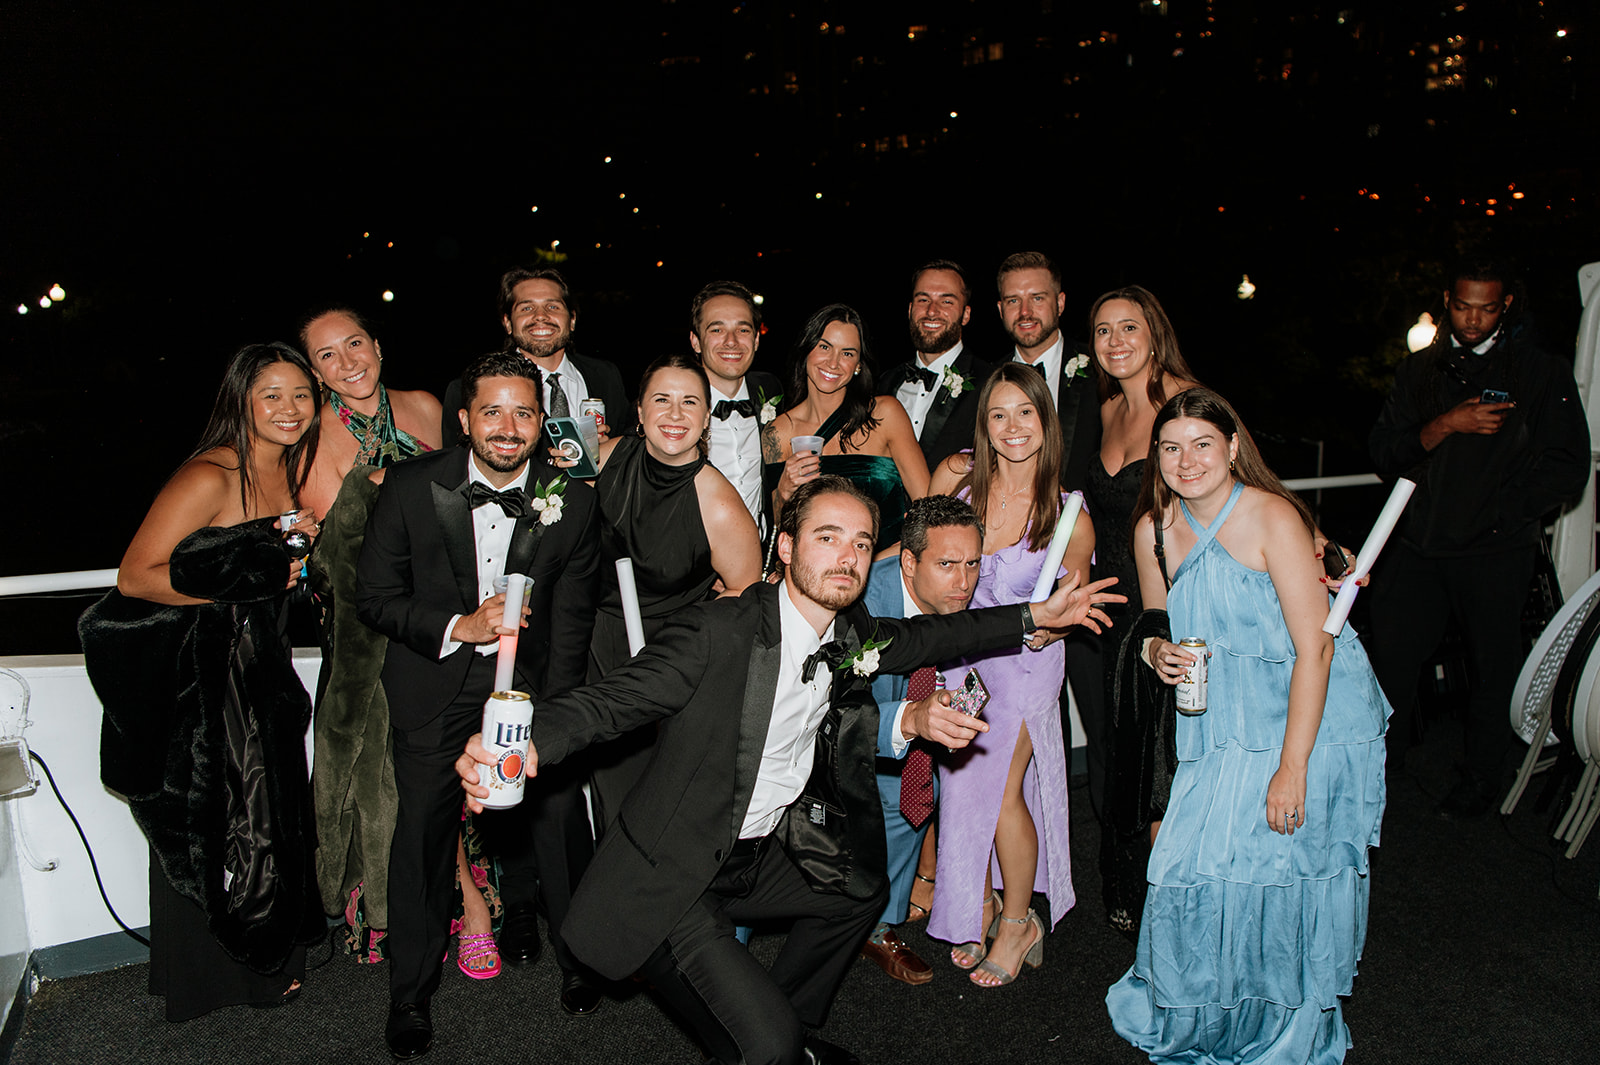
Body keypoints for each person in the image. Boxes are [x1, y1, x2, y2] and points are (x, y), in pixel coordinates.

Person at [457, 475, 1123, 1065]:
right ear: (784, 546)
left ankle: (786, 1023)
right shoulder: (719, 632)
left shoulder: (849, 628)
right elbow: (609, 702)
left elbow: (933, 637)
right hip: (680, 874)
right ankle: (770, 1038)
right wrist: (523, 743)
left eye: (862, 542)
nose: (848, 555)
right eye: (828, 536)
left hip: (759, 851)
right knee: (763, 1045)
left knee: (858, 889)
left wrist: (1035, 615)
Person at [1106, 387, 1389, 1064]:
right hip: (1215, 718)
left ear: (1232, 447)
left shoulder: (1272, 517)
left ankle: (1285, 1029)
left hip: (1304, 710)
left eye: (1203, 444)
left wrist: (1291, 768)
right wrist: (1155, 652)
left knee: (1284, 873)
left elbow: (1315, 645)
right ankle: (1213, 1014)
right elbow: (1156, 625)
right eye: (1171, 448)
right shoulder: (1152, 528)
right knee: (1191, 868)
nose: (1186, 459)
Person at [357, 352, 603, 1059]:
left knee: (558, 826)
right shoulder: (409, 486)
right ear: (464, 419)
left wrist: (554, 714)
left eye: (524, 412)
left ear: (540, 421)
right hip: (434, 686)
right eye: (491, 410)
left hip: (531, 689)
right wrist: (457, 626)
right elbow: (372, 596)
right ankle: (409, 994)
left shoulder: (575, 498)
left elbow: (577, 617)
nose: (508, 426)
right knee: (423, 840)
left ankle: (579, 960)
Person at [80, 342, 325, 1020]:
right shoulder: (211, 474)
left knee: (272, 812)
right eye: (270, 394)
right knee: (215, 817)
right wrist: (252, 579)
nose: (287, 407)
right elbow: (137, 576)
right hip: (210, 679)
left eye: (300, 394)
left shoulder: (288, 470)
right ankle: (206, 978)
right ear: (240, 399)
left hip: (263, 668)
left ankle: (269, 961)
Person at [1368, 257, 1589, 819]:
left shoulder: (1541, 372)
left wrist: (1502, 514)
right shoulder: (1418, 372)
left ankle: (1480, 782)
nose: (1473, 318)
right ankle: (1372, 775)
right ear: (1448, 299)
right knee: (1389, 663)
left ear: (1506, 304)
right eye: (1464, 305)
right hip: (1418, 548)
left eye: (1487, 307)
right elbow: (1383, 455)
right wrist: (1445, 425)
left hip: (1494, 550)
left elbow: (1567, 466)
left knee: (1494, 668)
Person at [926, 363, 1097, 988]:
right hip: (965, 661)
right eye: (998, 414)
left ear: (1046, 422)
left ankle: (1019, 921)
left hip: (1027, 665)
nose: (1012, 426)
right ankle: (985, 899)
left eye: (1025, 412)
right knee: (967, 785)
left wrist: (1058, 618)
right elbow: (924, 561)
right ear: (984, 424)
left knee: (1003, 791)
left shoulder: (1067, 510)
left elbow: (1071, 592)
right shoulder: (962, 490)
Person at [298, 307, 444, 964]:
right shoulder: (308, 434)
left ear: (378, 344)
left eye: (354, 342)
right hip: (367, 628)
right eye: (327, 354)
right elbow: (326, 543)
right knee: (380, 771)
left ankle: (455, 894)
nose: (347, 361)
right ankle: (381, 903)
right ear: (314, 371)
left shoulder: (425, 405)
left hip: (445, 611)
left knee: (445, 757)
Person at [585, 352, 764, 824]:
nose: (675, 414)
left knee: (643, 804)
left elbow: (747, 600)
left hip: (663, 659)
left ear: (706, 418)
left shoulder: (719, 505)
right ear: (640, 412)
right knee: (596, 799)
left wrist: (687, 639)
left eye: (690, 402)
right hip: (591, 644)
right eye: (661, 400)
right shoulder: (601, 461)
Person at [1081, 286, 1201, 936]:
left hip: (1170, 604)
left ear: (1154, 332)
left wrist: (1315, 541)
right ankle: (1130, 884)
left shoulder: (1181, 397)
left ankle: (1179, 910)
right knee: (1122, 747)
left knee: (1169, 758)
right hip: (1112, 612)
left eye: (1129, 326)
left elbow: (1246, 478)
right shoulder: (1105, 407)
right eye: (1103, 330)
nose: (1116, 340)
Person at [858, 494, 986, 987]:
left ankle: (880, 925)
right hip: (841, 724)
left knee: (916, 790)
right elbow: (844, 714)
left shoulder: (958, 590)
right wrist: (910, 718)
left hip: (918, 714)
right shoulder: (865, 603)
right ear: (909, 562)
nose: (964, 581)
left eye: (972, 563)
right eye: (948, 564)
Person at [763, 303, 930, 556]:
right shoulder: (779, 432)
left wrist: (879, 561)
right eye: (824, 347)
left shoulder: (885, 414)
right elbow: (779, 532)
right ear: (807, 350)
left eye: (848, 353)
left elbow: (930, 510)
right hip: (817, 578)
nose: (833, 362)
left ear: (858, 365)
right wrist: (784, 490)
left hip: (886, 568)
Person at [441, 266, 633, 447]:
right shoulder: (466, 391)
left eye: (553, 307)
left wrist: (609, 453)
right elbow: (459, 471)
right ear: (508, 323)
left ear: (572, 320)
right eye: (526, 308)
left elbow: (629, 446)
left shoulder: (606, 376)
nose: (540, 316)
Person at [878, 259, 995, 471]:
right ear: (910, 309)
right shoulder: (885, 382)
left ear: (965, 314)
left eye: (946, 301)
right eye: (923, 300)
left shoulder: (990, 382)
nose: (932, 311)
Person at [689, 280, 785, 537]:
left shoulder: (771, 390)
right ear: (696, 341)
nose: (731, 342)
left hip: (762, 557)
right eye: (717, 330)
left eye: (742, 330)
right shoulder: (672, 405)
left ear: (755, 339)